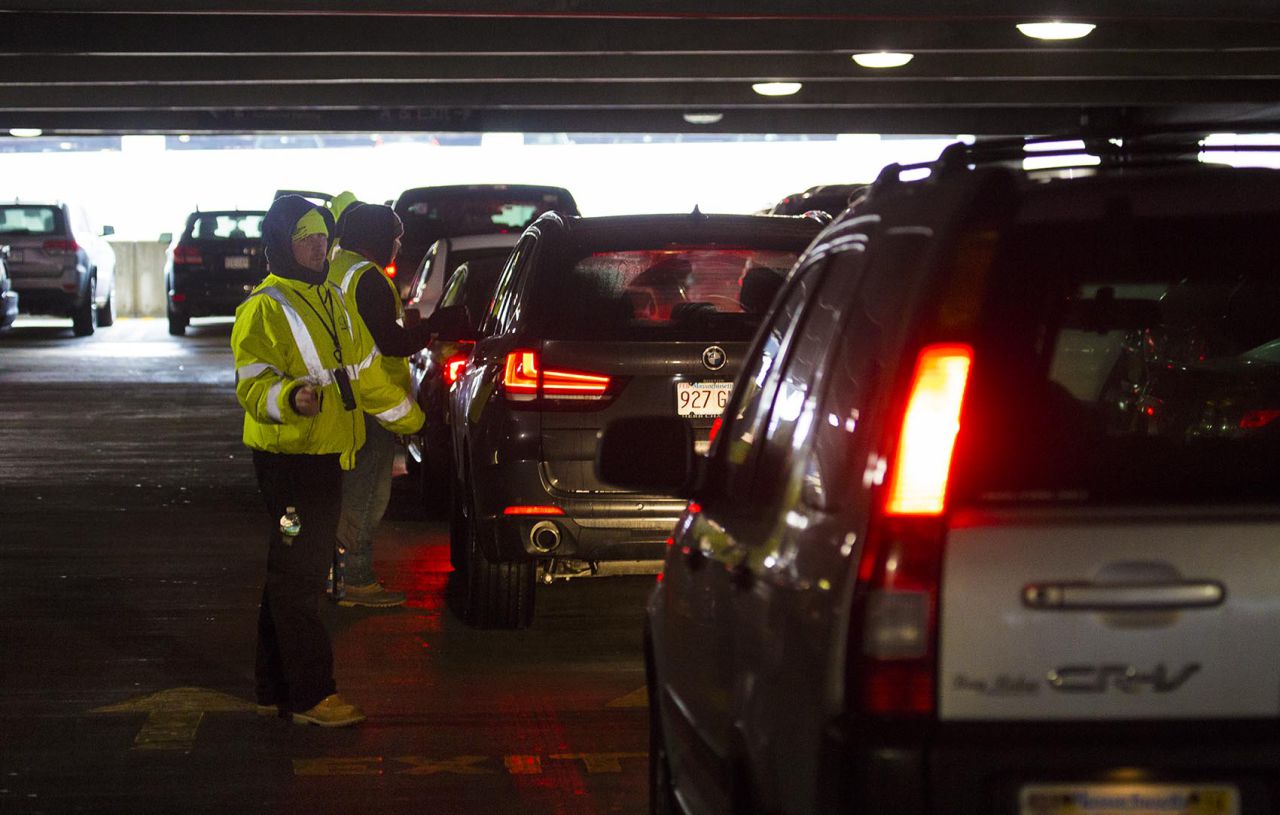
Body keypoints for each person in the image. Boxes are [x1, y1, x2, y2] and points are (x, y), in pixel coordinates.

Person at [231, 195, 424, 726]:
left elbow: (365, 374)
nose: (317, 248)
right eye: (305, 239)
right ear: (281, 247)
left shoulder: (333, 301)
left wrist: (414, 420)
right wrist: (290, 397)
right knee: (300, 576)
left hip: (324, 458)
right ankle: (311, 696)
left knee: (291, 571)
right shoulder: (266, 307)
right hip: (290, 462)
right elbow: (252, 385)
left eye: (322, 238)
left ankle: (276, 687)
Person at [327, 199, 437, 607]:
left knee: (343, 495)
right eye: (395, 237)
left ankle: (336, 577)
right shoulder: (367, 278)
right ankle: (355, 580)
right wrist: (426, 333)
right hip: (370, 403)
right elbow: (387, 344)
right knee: (366, 497)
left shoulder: (336, 268)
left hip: (339, 400)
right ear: (377, 238)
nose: (398, 245)